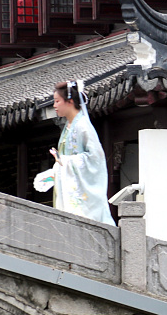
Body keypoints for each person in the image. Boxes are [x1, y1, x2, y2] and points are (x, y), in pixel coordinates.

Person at [33, 80, 115, 226]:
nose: (54, 105)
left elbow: (96, 158)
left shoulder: (83, 126)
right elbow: (63, 160)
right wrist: (55, 171)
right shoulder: (68, 127)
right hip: (69, 187)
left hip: (83, 196)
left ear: (69, 101)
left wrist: (66, 161)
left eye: (57, 101)